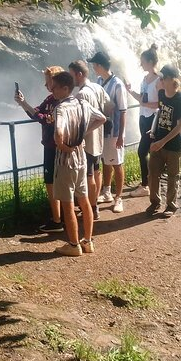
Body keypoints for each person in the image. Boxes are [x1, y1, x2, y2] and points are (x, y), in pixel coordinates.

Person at [50, 72, 106, 256]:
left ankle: (73, 245)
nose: (51, 89)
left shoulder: (61, 108)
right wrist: (83, 134)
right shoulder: (83, 103)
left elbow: (58, 133)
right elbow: (102, 118)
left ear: (65, 88)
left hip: (66, 161)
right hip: (82, 158)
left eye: (54, 86)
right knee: (84, 200)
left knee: (67, 204)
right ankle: (88, 242)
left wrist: (63, 146)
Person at [15, 66, 65, 233]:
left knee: (56, 183)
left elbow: (43, 119)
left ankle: (60, 219)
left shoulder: (61, 102)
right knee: (51, 183)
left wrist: (29, 108)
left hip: (57, 147)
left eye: (48, 81)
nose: (45, 85)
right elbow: (36, 113)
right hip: (50, 146)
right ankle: (58, 218)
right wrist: (23, 103)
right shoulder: (50, 99)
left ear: (56, 82)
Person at [68, 59, 110, 221]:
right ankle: (95, 205)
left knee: (89, 176)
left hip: (88, 141)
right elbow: (109, 106)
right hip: (99, 139)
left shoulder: (81, 94)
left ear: (79, 74)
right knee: (97, 171)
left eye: (71, 75)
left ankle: (92, 209)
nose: (70, 79)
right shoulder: (98, 87)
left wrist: (82, 133)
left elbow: (81, 120)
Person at [87, 51, 128, 214]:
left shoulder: (117, 84)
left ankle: (119, 198)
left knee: (117, 163)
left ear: (99, 66)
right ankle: (107, 191)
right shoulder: (98, 81)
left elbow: (123, 111)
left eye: (94, 65)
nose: (93, 68)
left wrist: (121, 136)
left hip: (114, 132)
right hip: (101, 130)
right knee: (106, 161)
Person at [147, 64, 181, 218]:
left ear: (172, 80)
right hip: (157, 141)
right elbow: (160, 114)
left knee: (173, 177)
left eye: (163, 78)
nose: (160, 80)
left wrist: (162, 142)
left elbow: (179, 126)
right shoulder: (161, 94)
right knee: (153, 174)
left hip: (173, 146)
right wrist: (153, 130)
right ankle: (154, 202)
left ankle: (170, 206)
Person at [126, 44, 160, 197]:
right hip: (143, 117)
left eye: (143, 62)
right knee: (146, 151)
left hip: (152, 118)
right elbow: (141, 98)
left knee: (141, 151)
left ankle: (146, 185)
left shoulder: (158, 81)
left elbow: (160, 103)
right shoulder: (145, 79)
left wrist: (145, 104)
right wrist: (130, 90)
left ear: (151, 62)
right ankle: (149, 181)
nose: (141, 64)